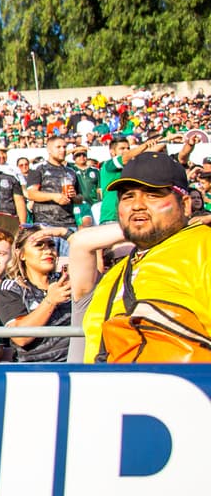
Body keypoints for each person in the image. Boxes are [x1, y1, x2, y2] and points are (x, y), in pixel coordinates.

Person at [82, 151, 211, 361]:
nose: (137, 205)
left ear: (185, 204)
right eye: (128, 196)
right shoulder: (114, 274)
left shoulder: (204, 247)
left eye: (153, 195)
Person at [0, 226, 72, 362]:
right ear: (21, 254)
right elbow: (20, 337)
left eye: (51, 245)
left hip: (75, 365)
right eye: (39, 245)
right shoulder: (12, 288)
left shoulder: (67, 280)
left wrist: (64, 233)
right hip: (35, 368)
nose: (48, 251)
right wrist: (50, 301)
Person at [25, 136, 81, 230]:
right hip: (45, 223)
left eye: (64, 147)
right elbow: (31, 194)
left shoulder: (71, 171)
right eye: (58, 147)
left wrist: (74, 196)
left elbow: (80, 198)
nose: (63, 150)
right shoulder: (38, 169)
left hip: (69, 224)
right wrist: (54, 196)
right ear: (49, 150)